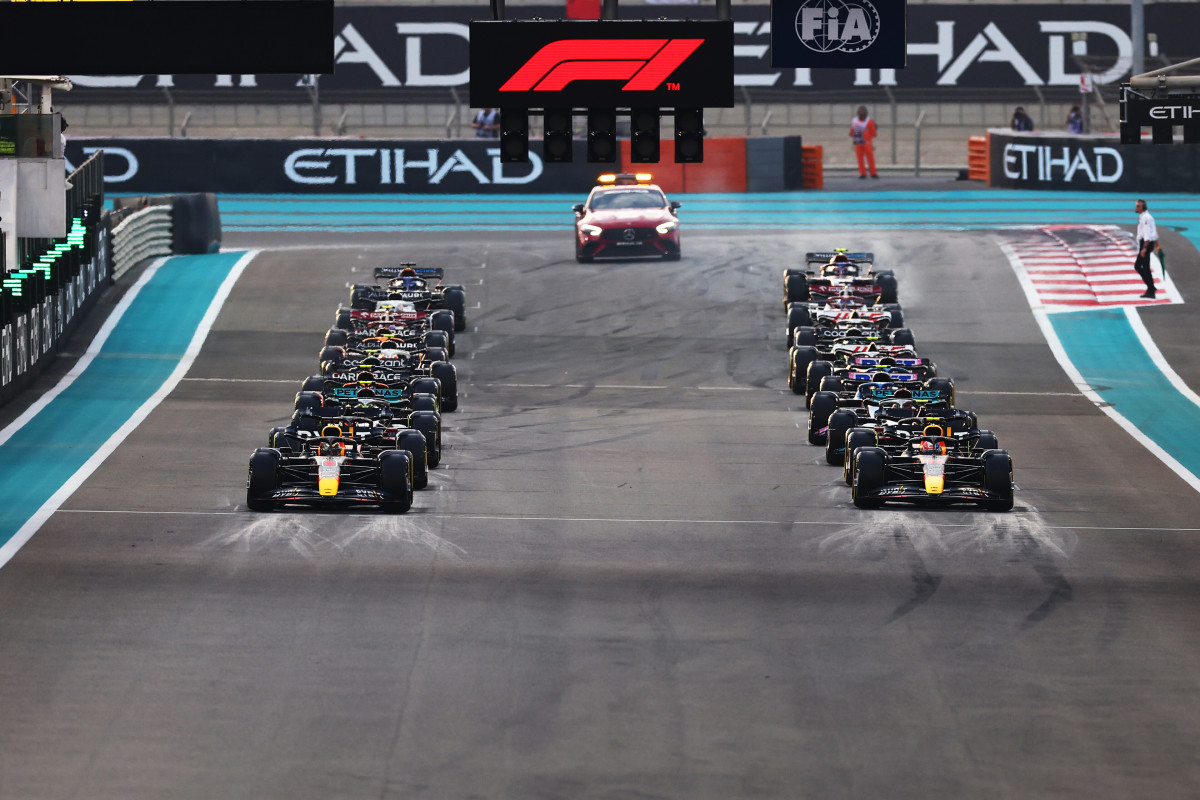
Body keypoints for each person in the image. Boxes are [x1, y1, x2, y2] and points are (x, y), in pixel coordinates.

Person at [1133, 198, 1159, 298]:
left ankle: (1151, 289)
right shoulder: (1144, 216)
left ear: (1143, 207)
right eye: (1136, 205)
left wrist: (1144, 248)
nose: (1136, 207)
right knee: (1144, 266)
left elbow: (1148, 233)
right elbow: (1154, 231)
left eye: (1138, 206)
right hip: (1146, 244)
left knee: (1139, 266)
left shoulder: (1146, 218)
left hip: (1146, 244)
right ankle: (1151, 288)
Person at [850, 106, 878, 179]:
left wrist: (872, 143)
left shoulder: (869, 121)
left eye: (862, 111)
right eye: (860, 111)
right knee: (860, 158)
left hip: (867, 142)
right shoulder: (855, 121)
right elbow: (852, 132)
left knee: (870, 158)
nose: (861, 113)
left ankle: (873, 173)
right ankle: (863, 173)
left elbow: (873, 133)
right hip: (858, 142)